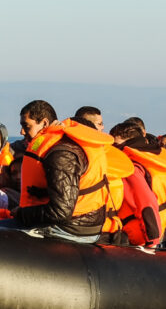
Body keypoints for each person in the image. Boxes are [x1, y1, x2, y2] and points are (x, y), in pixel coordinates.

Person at [13, 99, 113, 242]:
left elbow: (60, 212)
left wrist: (21, 213)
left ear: (45, 123)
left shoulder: (61, 154)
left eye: (26, 126)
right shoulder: (62, 146)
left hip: (70, 229)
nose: (22, 131)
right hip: (80, 224)